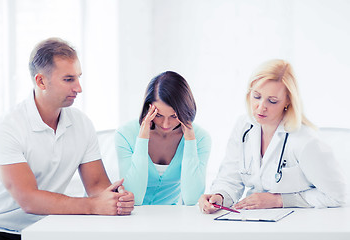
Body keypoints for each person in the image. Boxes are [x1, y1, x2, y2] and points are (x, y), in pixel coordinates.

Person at [0, 38, 134, 240]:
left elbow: (97, 186)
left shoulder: (82, 124)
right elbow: (29, 200)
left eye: (78, 78)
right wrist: (94, 205)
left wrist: (116, 198)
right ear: (41, 81)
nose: (79, 88)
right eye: (69, 79)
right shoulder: (6, 127)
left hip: (48, 226)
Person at [199, 59, 347, 213]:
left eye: (272, 101)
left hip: (296, 222)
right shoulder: (244, 126)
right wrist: (219, 196)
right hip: (254, 221)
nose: (261, 107)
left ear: (288, 101)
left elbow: (340, 195)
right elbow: (230, 178)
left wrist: (280, 200)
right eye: (256, 96)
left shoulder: (305, 141)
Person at [115, 71, 211, 205]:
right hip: (129, 216)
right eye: (158, 115)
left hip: (170, 219)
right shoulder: (125, 134)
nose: (166, 124)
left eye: (174, 116)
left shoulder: (201, 138)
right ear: (148, 109)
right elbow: (134, 197)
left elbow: (192, 199)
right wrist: (142, 138)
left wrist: (189, 140)